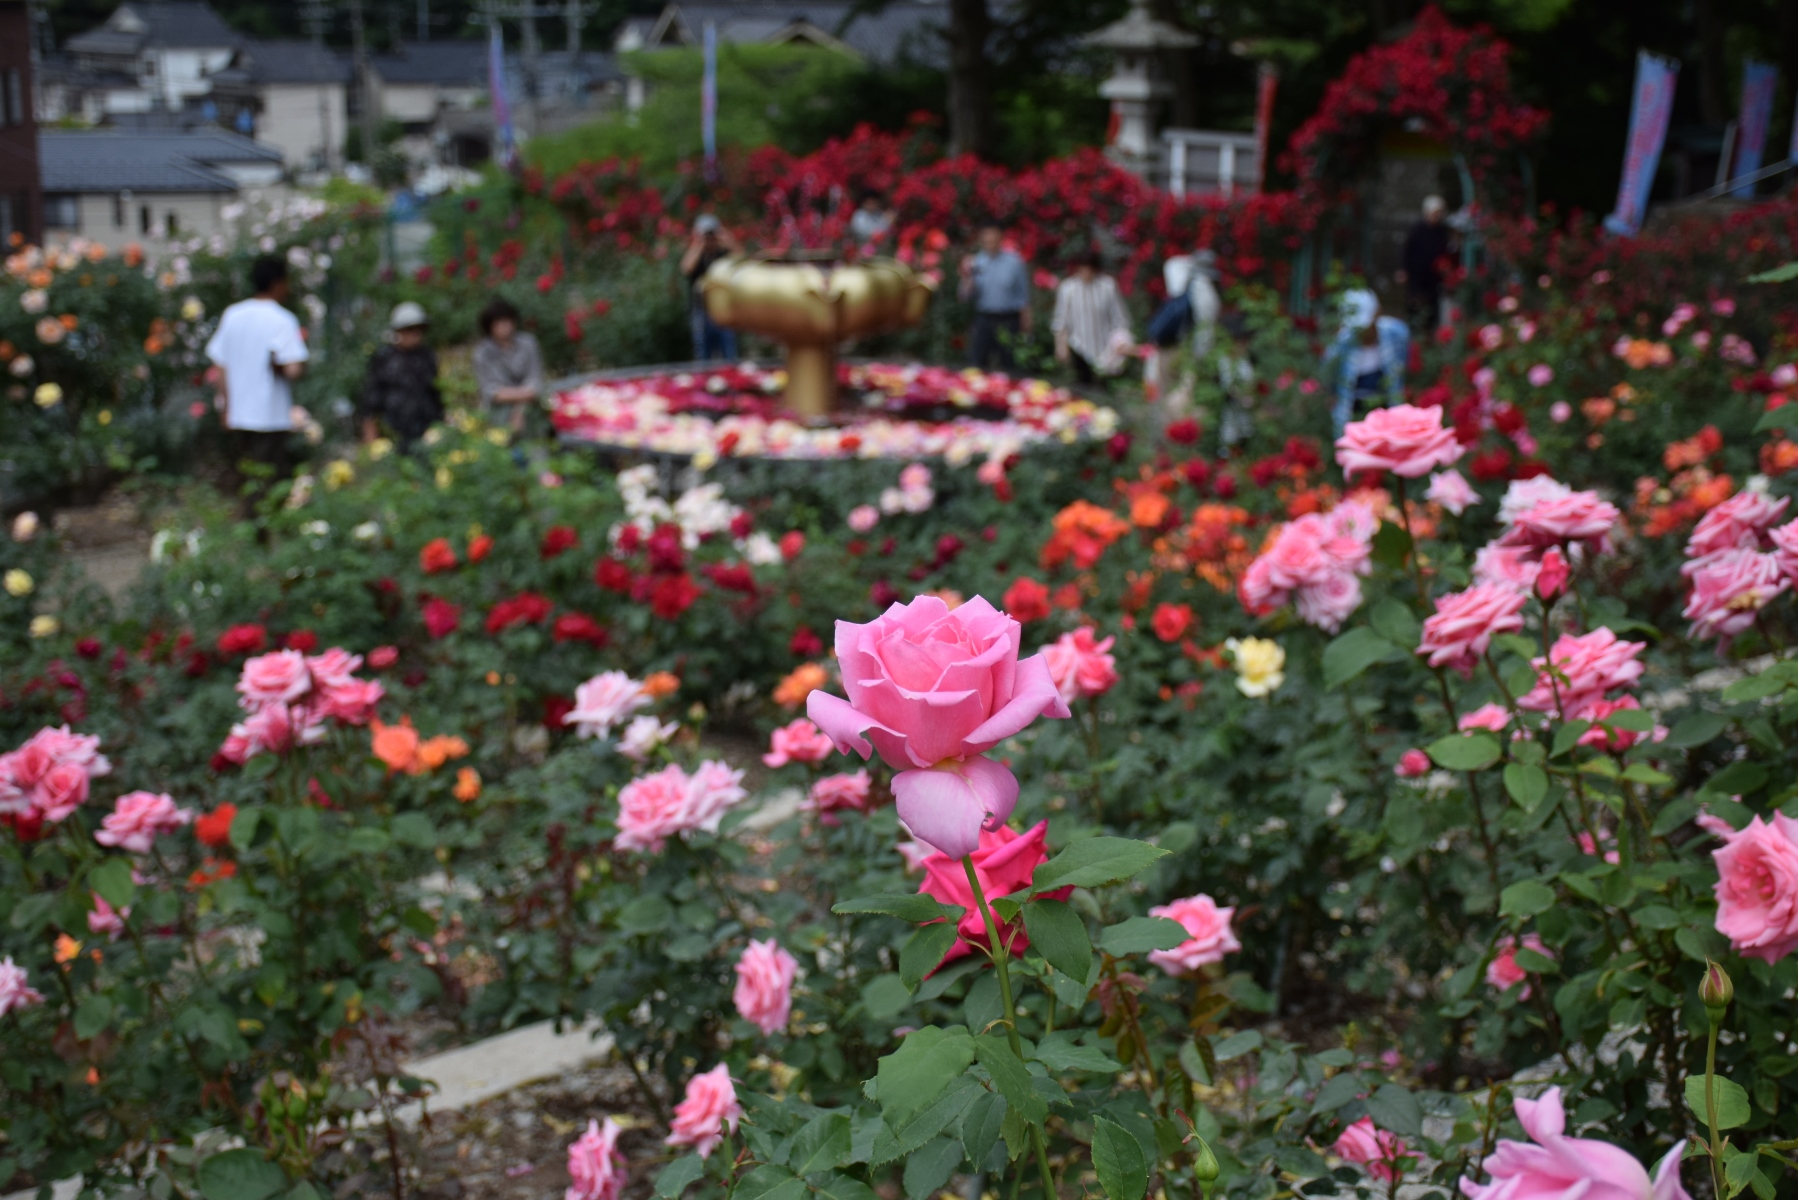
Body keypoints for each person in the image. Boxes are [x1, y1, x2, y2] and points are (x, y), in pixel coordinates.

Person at [204, 254, 310, 499]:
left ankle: (254, 531)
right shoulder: (282, 319)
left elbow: (220, 365)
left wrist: (225, 407)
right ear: (277, 283)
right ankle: (265, 532)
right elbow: (294, 369)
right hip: (270, 416)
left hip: (240, 415)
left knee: (248, 479)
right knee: (271, 483)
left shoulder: (233, 314)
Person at [1322, 288, 1410, 434]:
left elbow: (1406, 368)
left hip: (1389, 412)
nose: (1363, 332)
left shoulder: (1397, 334)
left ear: (1377, 313)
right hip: (1354, 416)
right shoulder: (1340, 345)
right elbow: (1327, 377)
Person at [359, 302, 443, 451]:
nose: (416, 334)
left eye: (420, 329)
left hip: (427, 432)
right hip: (394, 433)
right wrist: (372, 440)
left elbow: (436, 392)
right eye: (410, 329)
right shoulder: (384, 359)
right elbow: (371, 401)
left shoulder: (427, 356)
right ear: (399, 330)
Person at [1051, 250, 1133, 385]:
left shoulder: (1108, 286)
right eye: (1082, 270)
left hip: (1105, 346)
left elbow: (1120, 318)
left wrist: (1122, 340)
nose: (1086, 274)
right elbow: (1061, 320)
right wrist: (1060, 345)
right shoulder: (1068, 288)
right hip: (1078, 346)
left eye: (1089, 270)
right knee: (1082, 386)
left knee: (1105, 386)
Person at [959, 224, 1031, 373]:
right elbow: (964, 296)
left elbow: (1023, 296)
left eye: (993, 238)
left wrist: (1027, 324)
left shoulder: (1014, 262)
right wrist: (967, 276)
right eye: (986, 239)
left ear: (1000, 239)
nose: (990, 242)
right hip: (984, 318)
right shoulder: (976, 262)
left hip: (1008, 319)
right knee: (977, 364)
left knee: (1009, 363)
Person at [472, 298, 545, 434]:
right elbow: (490, 391)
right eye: (498, 323)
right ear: (489, 327)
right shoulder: (482, 353)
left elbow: (535, 380)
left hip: (529, 407)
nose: (505, 327)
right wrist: (522, 395)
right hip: (498, 411)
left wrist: (519, 408)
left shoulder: (528, 343)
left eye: (507, 321)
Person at [680, 214, 740, 362]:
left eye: (712, 235)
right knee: (703, 356)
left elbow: (741, 258)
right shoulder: (697, 255)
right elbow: (686, 268)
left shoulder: (723, 254)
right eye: (707, 235)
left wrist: (726, 239)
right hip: (702, 313)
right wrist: (700, 243)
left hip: (724, 311)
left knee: (729, 354)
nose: (710, 239)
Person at [1397, 195, 1453, 332]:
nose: (1437, 216)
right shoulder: (1417, 228)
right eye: (1434, 213)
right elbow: (1408, 249)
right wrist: (1404, 270)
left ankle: (1429, 331)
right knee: (1415, 303)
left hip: (1434, 276)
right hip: (1417, 274)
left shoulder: (1442, 231)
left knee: (1432, 305)